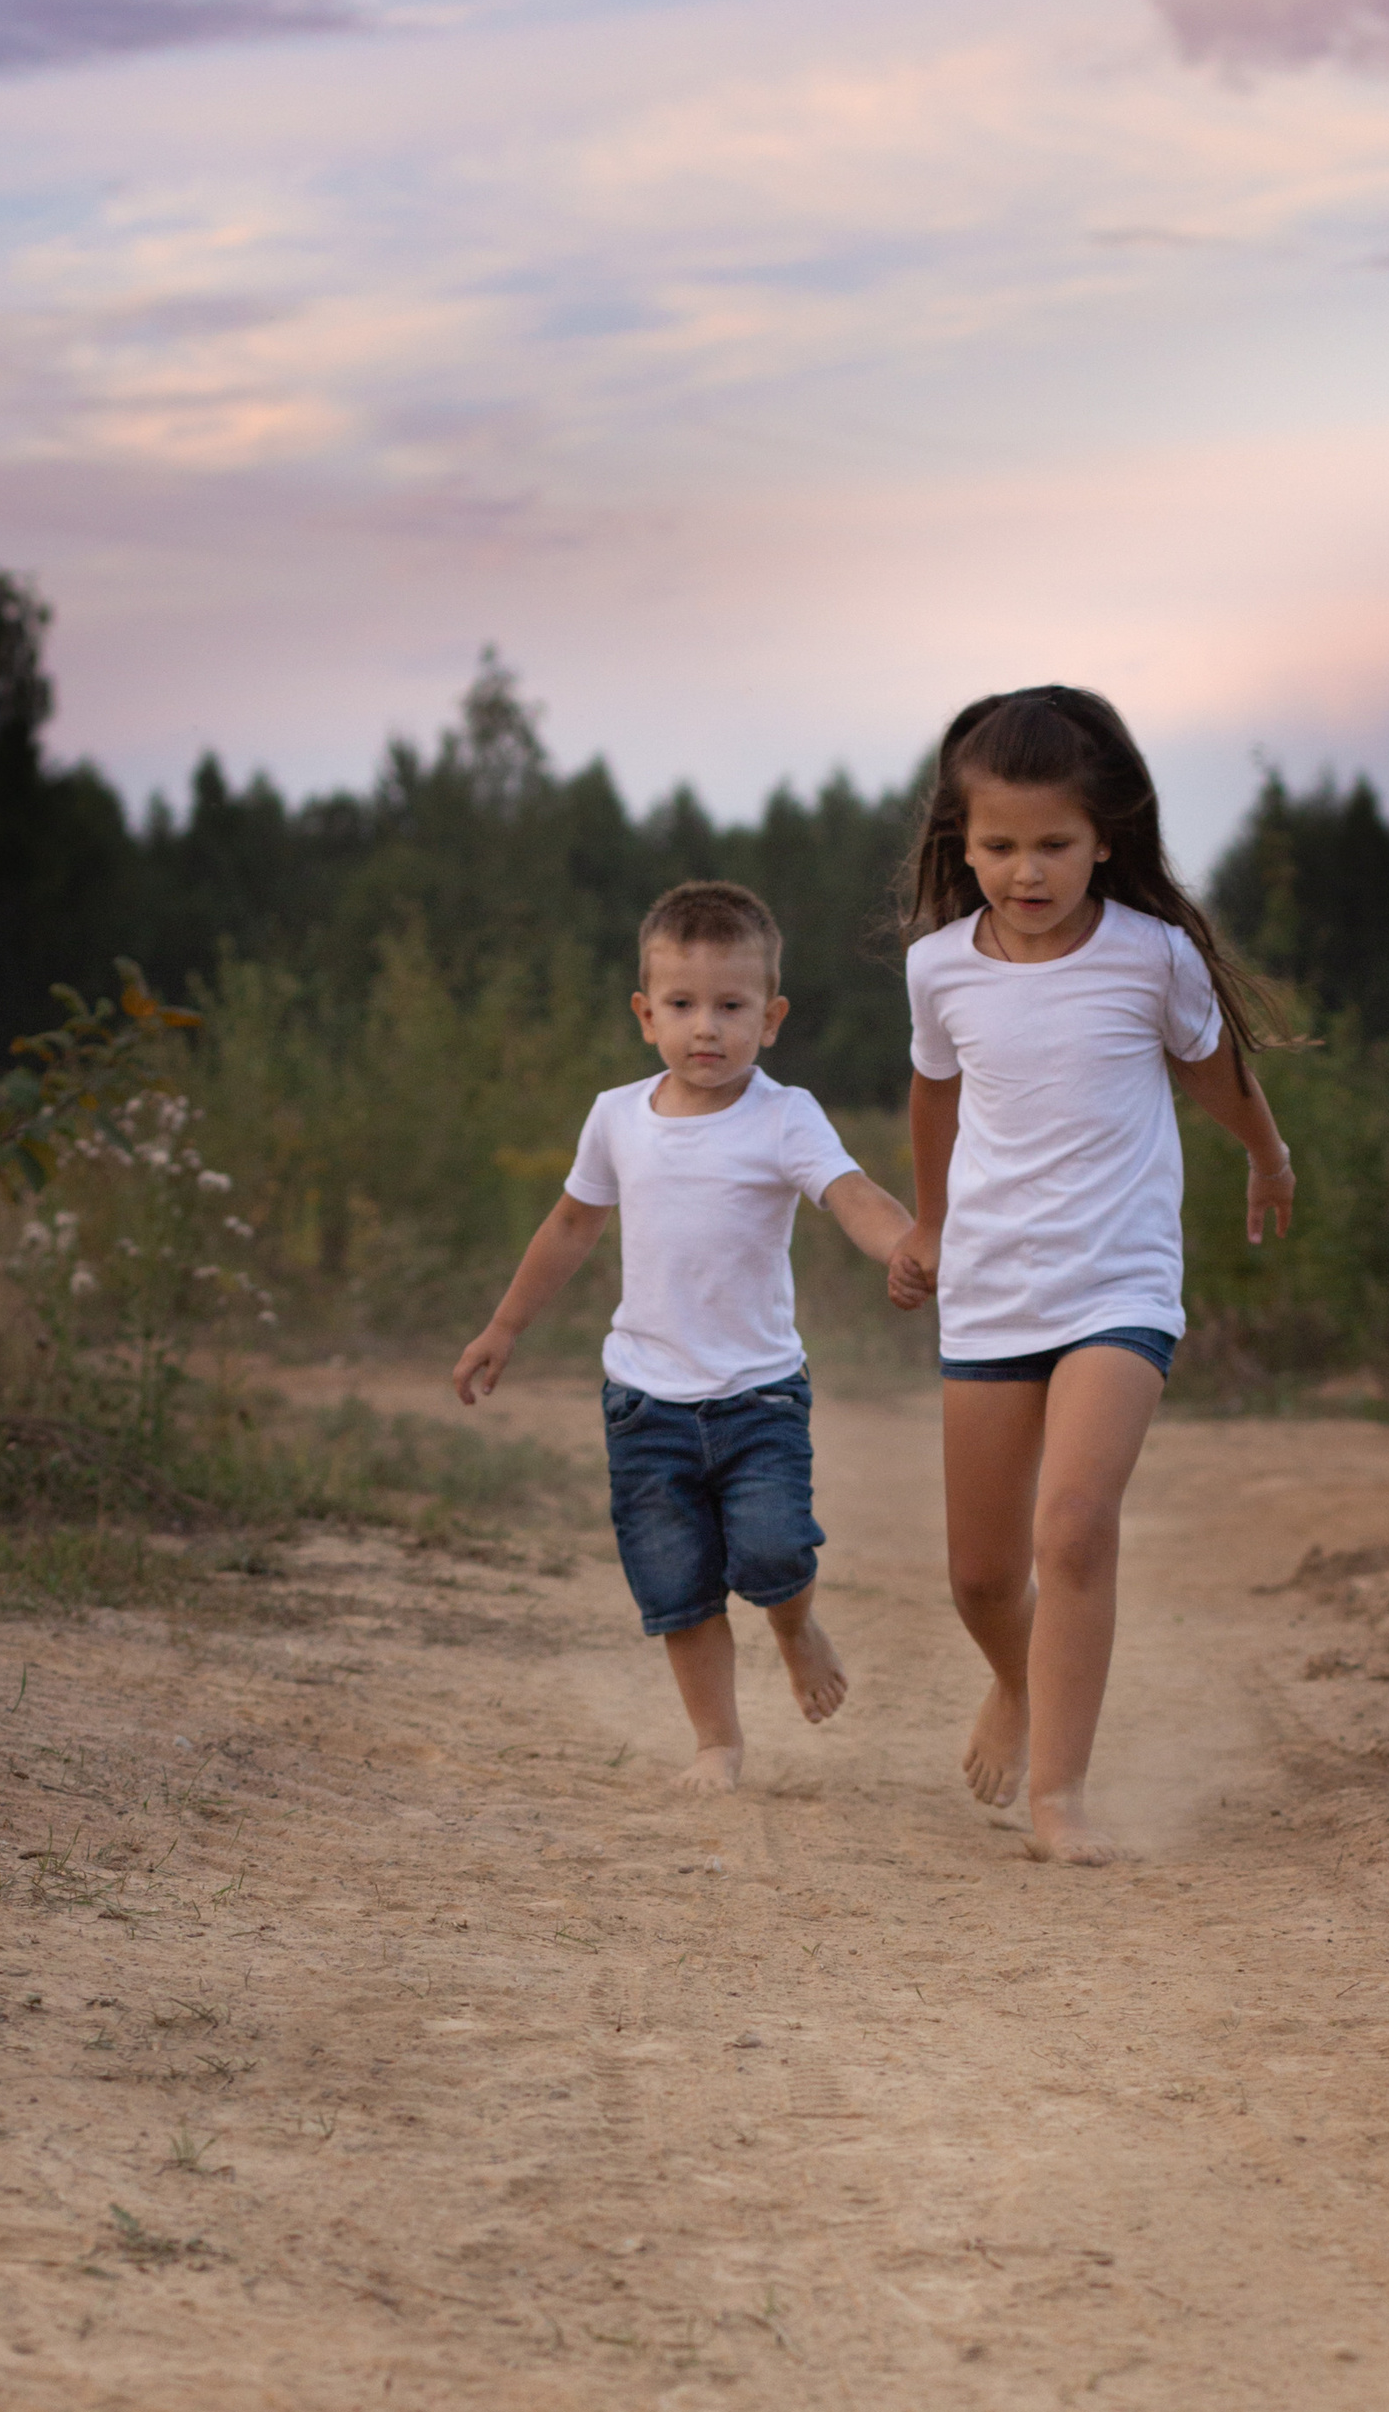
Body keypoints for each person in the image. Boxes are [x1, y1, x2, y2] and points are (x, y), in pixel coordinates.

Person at [886, 686, 1294, 1866]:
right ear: (961, 845)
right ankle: (1016, 1683)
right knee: (977, 1577)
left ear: (1104, 837)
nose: (1027, 870)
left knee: (1071, 1529)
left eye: (1053, 844)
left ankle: (1058, 1797)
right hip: (993, 1288)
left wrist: (1266, 1156)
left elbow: (1214, 1073)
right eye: (1000, 845)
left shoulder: (1150, 955)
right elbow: (934, 1094)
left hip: (1118, 1284)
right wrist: (927, 1220)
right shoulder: (939, 971)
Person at [454, 879, 916, 1792]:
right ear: (645, 1013)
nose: (706, 1027)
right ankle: (718, 1743)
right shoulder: (616, 1117)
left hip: (760, 1395)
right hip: (645, 1402)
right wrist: (506, 1325)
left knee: (777, 1549)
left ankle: (795, 1626)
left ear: (772, 1017)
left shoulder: (785, 1115)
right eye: (682, 1005)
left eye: (731, 1006)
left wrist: (905, 1246)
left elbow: (849, 1194)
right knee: (677, 1586)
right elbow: (571, 1226)